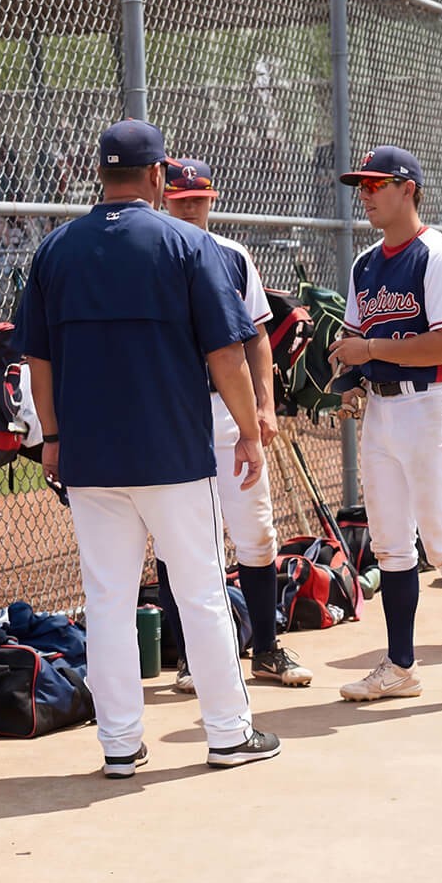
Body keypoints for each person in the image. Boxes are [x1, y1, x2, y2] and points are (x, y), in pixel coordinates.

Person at [15, 119, 278, 776]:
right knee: (200, 591)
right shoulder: (188, 243)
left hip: (90, 458)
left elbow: (38, 360)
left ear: (101, 175)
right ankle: (228, 734)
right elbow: (227, 353)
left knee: (107, 601)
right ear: (158, 175)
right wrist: (249, 432)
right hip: (173, 455)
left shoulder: (56, 249)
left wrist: (52, 437)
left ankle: (119, 744)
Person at [327, 145, 442, 705]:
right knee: (390, 547)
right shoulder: (365, 264)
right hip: (382, 411)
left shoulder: (439, 257)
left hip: (432, 406)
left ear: (408, 188)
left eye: (375, 185)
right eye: (361, 187)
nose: (365, 195)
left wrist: (368, 350)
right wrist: (349, 377)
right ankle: (401, 667)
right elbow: (354, 340)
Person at [156, 156, 312, 690]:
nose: (190, 209)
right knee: (176, 541)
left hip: (228, 410)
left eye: (198, 200)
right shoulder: (151, 255)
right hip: (174, 413)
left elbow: (256, 338)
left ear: (211, 201)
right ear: (164, 200)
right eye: (181, 201)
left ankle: (265, 649)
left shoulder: (232, 255)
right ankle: (189, 658)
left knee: (256, 532)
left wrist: (264, 405)